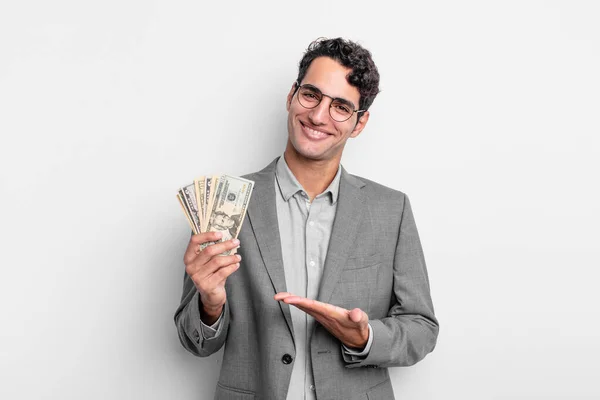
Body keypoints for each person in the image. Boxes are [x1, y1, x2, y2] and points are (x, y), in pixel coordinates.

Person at [174, 37, 439, 400]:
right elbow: (196, 343)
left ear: (359, 123)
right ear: (291, 96)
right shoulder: (224, 203)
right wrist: (210, 304)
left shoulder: (390, 210)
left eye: (341, 107)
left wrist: (366, 338)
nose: (317, 116)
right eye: (311, 95)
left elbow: (422, 329)